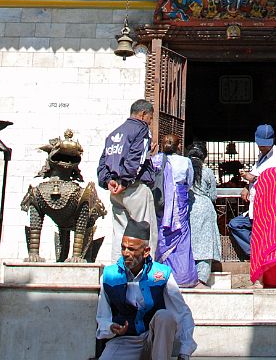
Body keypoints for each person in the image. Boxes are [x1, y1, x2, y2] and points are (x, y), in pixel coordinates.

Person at [96, 219, 196, 360]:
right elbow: (102, 317)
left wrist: (185, 351)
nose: (125, 253)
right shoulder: (109, 276)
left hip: (155, 340)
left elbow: (181, 312)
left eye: (131, 249)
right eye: (123, 248)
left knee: (165, 316)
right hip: (125, 341)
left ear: (146, 252)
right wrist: (111, 328)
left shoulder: (161, 274)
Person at [99, 99, 158, 253]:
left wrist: (108, 181)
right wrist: (125, 181)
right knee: (145, 231)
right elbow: (135, 158)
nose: (150, 122)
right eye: (150, 118)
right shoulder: (142, 129)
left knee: (120, 232)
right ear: (144, 114)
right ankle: (145, 271)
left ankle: (118, 270)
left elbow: (103, 162)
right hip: (134, 188)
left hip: (115, 191)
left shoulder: (113, 134)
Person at [227, 124, 276, 259]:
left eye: (265, 145)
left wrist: (252, 179)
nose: (263, 147)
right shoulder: (262, 156)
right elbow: (254, 175)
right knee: (235, 224)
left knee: (265, 232)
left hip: (268, 207)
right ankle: (256, 252)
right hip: (255, 206)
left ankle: (265, 254)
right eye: (261, 144)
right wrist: (247, 186)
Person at [152, 133, 197, 287]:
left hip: (160, 203)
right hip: (179, 203)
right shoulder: (185, 162)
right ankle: (182, 278)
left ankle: (160, 275)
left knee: (160, 235)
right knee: (181, 237)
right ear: (179, 146)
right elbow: (189, 182)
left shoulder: (155, 160)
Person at [187, 142, 221, 286]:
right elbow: (213, 195)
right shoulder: (207, 171)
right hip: (205, 208)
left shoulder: (185, 169)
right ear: (204, 156)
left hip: (187, 207)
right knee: (206, 244)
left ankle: (187, 274)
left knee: (189, 242)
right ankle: (202, 278)